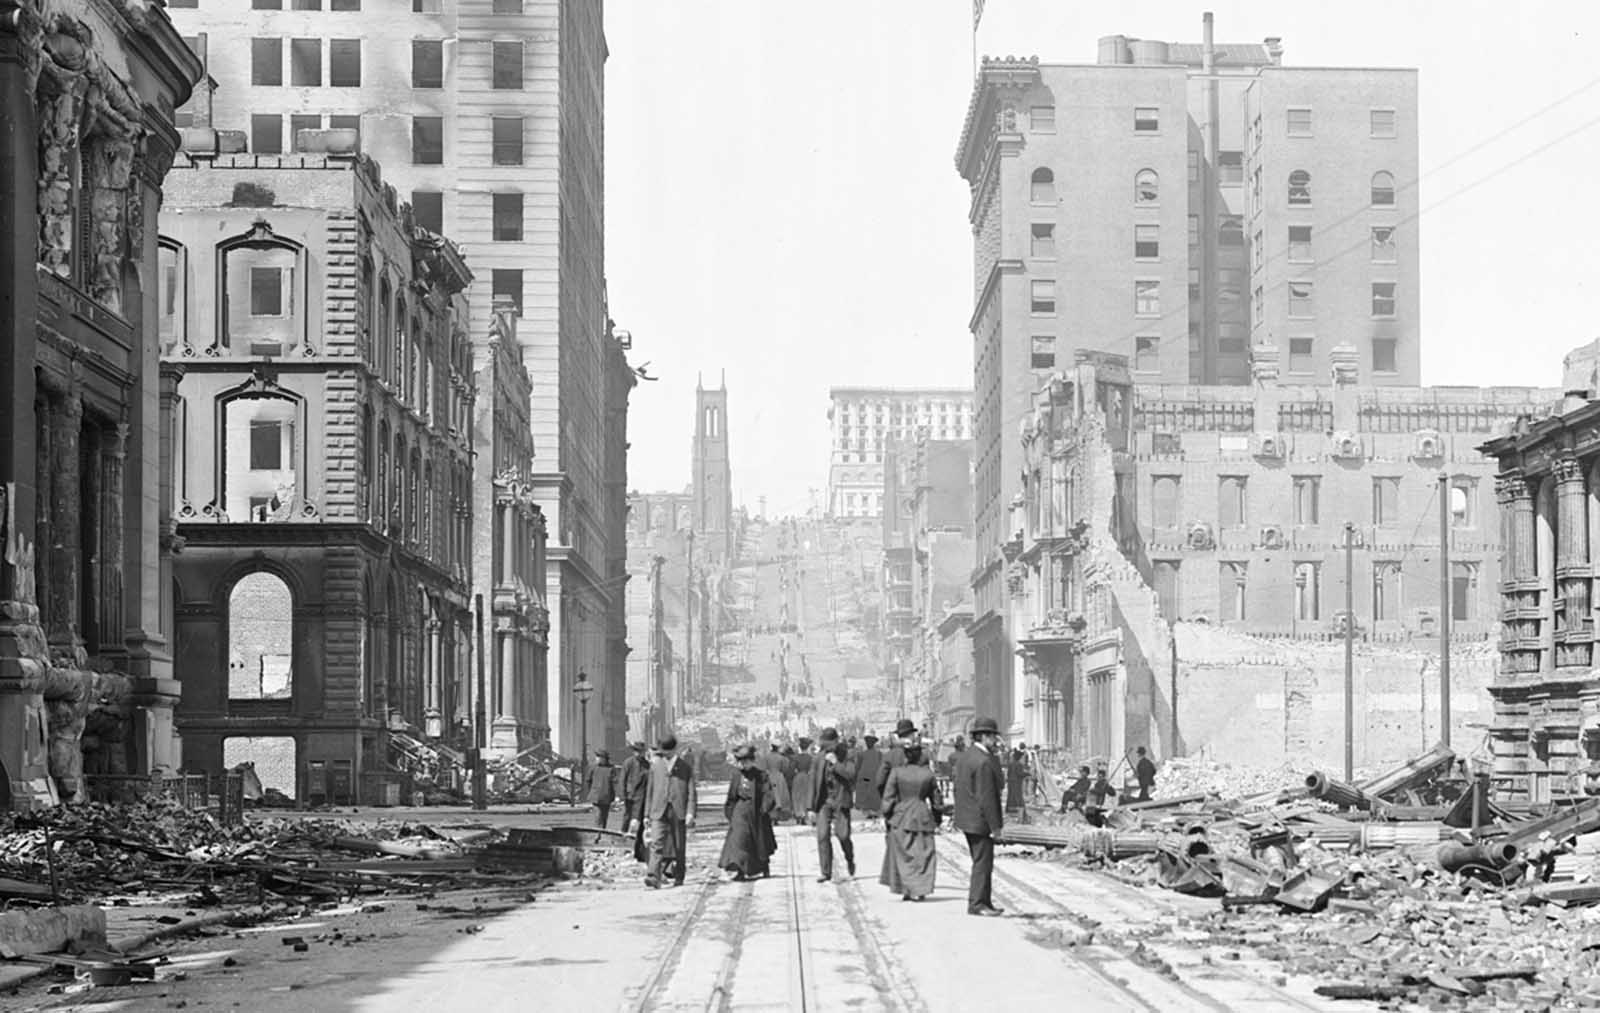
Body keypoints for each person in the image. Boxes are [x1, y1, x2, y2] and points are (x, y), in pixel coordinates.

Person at [880, 733, 944, 902]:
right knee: (923, 854)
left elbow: (888, 796)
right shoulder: (928, 774)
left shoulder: (896, 772)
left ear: (906, 755)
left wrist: (887, 814)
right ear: (920, 755)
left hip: (901, 816)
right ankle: (920, 889)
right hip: (922, 815)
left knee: (903, 854)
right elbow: (937, 800)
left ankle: (907, 889)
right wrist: (937, 818)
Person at [953, 716, 1005, 917]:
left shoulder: (967, 756)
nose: (995, 741)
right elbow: (987, 798)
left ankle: (985, 901)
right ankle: (977, 904)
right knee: (983, 863)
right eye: (993, 737)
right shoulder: (983, 761)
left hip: (968, 818)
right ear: (984, 736)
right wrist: (996, 827)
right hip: (979, 821)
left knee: (981, 861)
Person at [633, 733, 698, 889]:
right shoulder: (656, 766)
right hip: (658, 810)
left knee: (679, 845)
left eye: (668, 751)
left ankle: (679, 875)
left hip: (678, 810)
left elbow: (691, 792)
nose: (665, 754)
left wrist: (690, 812)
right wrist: (646, 814)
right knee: (656, 843)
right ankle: (653, 876)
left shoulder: (685, 767)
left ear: (674, 750)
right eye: (663, 752)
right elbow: (650, 791)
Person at [805, 727, 857, 883]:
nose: (827, 747)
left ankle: (849, 859)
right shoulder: (818, 758)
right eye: (824, 744)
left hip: (841, 800)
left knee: (843, 835)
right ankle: (825, 872)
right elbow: (812, 783)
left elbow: (851, 775)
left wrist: (836, 764)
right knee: (822, 836)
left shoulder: (847, 755)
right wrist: (810, 808)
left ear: (836, 741)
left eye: (829, 744)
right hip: (824, 802)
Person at [719, 745, 777, 881]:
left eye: (746, 762)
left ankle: (763, 866)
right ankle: (740, 870)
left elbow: (769, 795)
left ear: (752, 761)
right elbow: (731, 796)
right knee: (739, 841)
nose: (744, 765)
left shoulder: (761, 775)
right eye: (741, 762)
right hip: (740, 812)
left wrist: (764, 809)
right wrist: (731, 814)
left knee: (759, 842)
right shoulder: (736, 775)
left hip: (757, 813)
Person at [876, 719, 914, 889]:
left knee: (892, 837)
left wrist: (886, 797)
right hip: (913, 802)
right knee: (912, 840)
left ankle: (894, 874)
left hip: (894, 802)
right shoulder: (918, 752)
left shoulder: (889, 755)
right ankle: (910, 875)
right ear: (911, 735)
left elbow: (879, 780)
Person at [620, 741, 651, 861]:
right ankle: (623, 838)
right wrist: (621, 796)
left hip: (642, 796)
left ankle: (637, 844)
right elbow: (622, 779)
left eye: (641, 751)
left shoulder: (647, 765)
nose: (638, 754)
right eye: (636, 751)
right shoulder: (628, 763)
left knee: (638, 819)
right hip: (630, 795)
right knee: (627, 817)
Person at [583, 748, 617, 829]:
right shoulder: (593, 767)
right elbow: (588, 781)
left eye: (599, 757)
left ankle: (602, 833)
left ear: (604, 758)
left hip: (607, 797)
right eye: (597, 756)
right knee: (598, 817)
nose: (597, 758)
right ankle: (597, 835)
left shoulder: (611, 769)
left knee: (604, 818)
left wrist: (615, 796)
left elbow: (614, 782)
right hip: (596, 797)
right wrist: (589, 793)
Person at [855, 734, 884, 819]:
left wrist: (857, 777)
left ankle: (868, 811)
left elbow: (858, 766)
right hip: (875, 777)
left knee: (866, 792)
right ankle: (874, 811)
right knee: (874, 792)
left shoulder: (861, 754)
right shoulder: (879, 754)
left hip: (865, 777)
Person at [790, 738, 815, 826]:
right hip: (806, 777)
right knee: (805, 796)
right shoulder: (810, 757)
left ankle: (798, 815)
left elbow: (792, 769)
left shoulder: (795, 757)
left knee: (797, 796)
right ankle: (804, 816)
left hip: (798, 777)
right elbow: (812, 769)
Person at [1005, 743, 1027, 814]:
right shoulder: (1019, 764)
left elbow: (1008, 773)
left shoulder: (1011, 763)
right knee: (1017, 796)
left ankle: (1010, 809)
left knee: (1010, 796)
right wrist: (1027, 774)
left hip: (1010, 782)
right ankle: (1017, 810)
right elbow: (1019, 774)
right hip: (1017, 782)